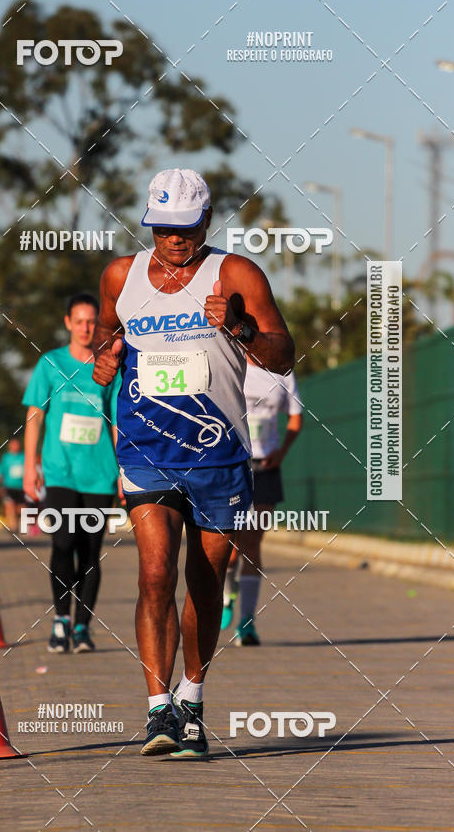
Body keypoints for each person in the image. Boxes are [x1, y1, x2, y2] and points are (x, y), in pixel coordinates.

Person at [92, 168, 294, 758]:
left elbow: (282, 356)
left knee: (205, 587)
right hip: (146, 447)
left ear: (206, 221)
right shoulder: (120, 275)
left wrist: (238, 326)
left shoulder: (235, 273)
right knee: (155, 572)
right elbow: (109, 337)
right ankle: (158, 711)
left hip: (219, 453)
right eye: (162, 229)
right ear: (148, 223)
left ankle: (193, 698)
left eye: (185, 229)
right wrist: (106, 360)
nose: (174, 240)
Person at [22, 294, 120, 654]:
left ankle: (82, 628)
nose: (86, 328)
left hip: (99, 472)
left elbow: (116, 422)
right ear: (67, 323)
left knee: (90, 551)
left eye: (92, 321)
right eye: (79, 321)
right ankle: (61, 619)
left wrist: (124, 470)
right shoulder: (50, 364)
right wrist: (30, 466)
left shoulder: (109, 367)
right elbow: (35, 415)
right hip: (59, 471)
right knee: (62, 542)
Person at [221, 361, 303, 644]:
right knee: (229, 547)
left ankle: (246, 622)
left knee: (253, 541)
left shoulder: (283, 372)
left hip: (266, 467)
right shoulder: (230, 362)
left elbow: (296, 418)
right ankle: (226, 594)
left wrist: (281, 452)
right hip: (232, 466)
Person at [0, 437, 26, 533]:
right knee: (10, 505)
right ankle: (13, 528)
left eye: (17, 444)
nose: (15, 446)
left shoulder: (24, 456)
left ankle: (15, 523)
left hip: (21, 487)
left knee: (21, 508)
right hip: (8, 487)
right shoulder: (6, 458)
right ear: (9, 446)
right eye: (13, 444)